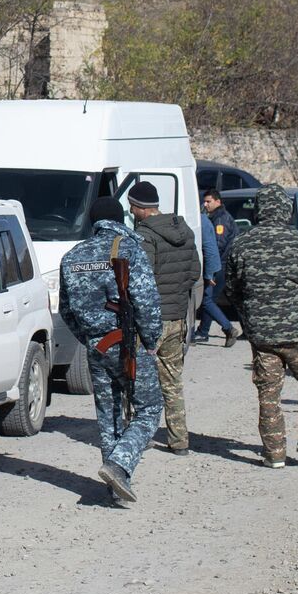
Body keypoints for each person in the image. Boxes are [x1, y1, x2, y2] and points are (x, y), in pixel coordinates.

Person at [218, 184, 298, 467]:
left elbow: (231, 289)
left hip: (261, 333)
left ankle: (274, 454)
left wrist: (248, 314)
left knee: (268, 392)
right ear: (285, 209)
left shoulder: (241, 243)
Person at [58, 196, 162, 505]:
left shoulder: (72, 256)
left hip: (96, 346)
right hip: (129, 342)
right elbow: (146, 300)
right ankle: (119, 465)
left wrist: (89, 337)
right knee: (149, 410)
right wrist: (152, 339)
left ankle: (115, 488)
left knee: (110, 413)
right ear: (120, 220)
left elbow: (66, 311)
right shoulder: (128, 249)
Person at [127, 181, 200, 455]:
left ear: (140, 208)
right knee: (172, 381)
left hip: (150, 320)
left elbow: (141, 280)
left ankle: (142, 434)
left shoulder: (145, 236)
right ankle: (179, 440)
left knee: (143, 380)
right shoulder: (185, 230)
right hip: (177, 317)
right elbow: (195, 273)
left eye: (132, 206)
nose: (131, 211)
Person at [194, 190, 240, 346]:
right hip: (219, 265)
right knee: (209, 299)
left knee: (208, 300)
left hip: (220, 265)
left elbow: (218, 246)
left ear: (218, 202)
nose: (205, 204)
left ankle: (224, 328)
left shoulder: (220, 220)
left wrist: (212, 272)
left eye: (209, 201)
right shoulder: (214, 217)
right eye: (205, 202)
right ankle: (203, 331)